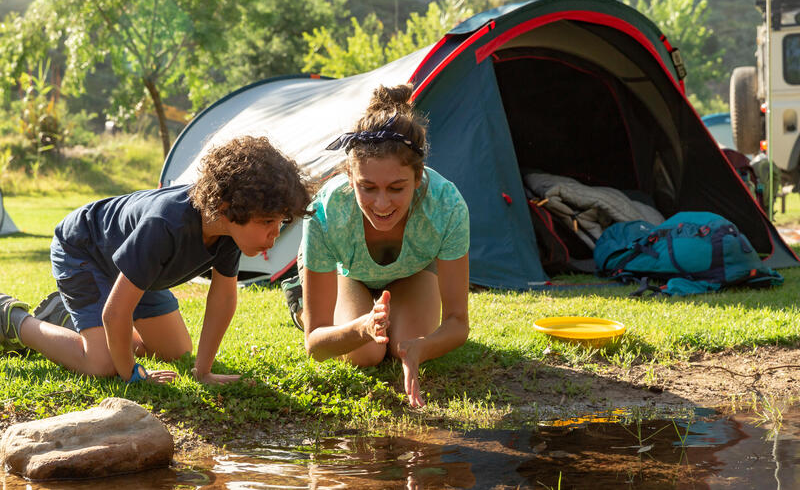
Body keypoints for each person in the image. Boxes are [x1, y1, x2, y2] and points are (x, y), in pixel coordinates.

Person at [0, 136, 311, 384]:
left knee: (175, 353)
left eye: (280, 223)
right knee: (103, 364)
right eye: (267, 222)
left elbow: (223, 297)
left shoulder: (227, 229)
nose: (275, 235)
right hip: (85, 249)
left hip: (140, 270)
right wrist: (131, 374)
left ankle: (66, 319)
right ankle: (13, 320)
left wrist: (203, 371)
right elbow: (115, 314)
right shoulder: (166, 225)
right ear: (228, 206)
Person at [293, 83, 470, 407]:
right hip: (347, 270)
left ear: (418, 179)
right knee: (365, 352)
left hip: (414, 271)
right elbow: (316, 346)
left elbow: (458, 323)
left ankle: (379, 314)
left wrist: (422, 348)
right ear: (350, 178)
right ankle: (299, 300)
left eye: (397, 188)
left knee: (404, 341)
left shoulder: (446, 205)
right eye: (367, 187)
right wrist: (360, 327)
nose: (382, 203)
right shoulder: (326, 211)